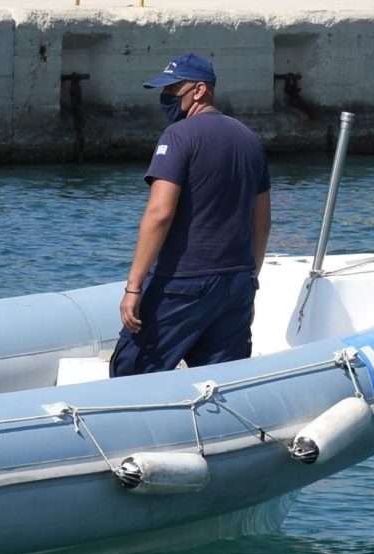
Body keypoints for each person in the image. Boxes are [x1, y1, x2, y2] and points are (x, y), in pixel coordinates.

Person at [109, 54, 272, 377]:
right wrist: (250, 279)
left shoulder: (179, 136)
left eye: (173, 90)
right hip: (236, 280)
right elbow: (262, 223)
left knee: (131, 371)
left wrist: (133, 287)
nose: (167, 98)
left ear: (199, 90)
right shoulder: (250, 140)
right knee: (222, 381)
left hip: (183, 281)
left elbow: (160, 213)